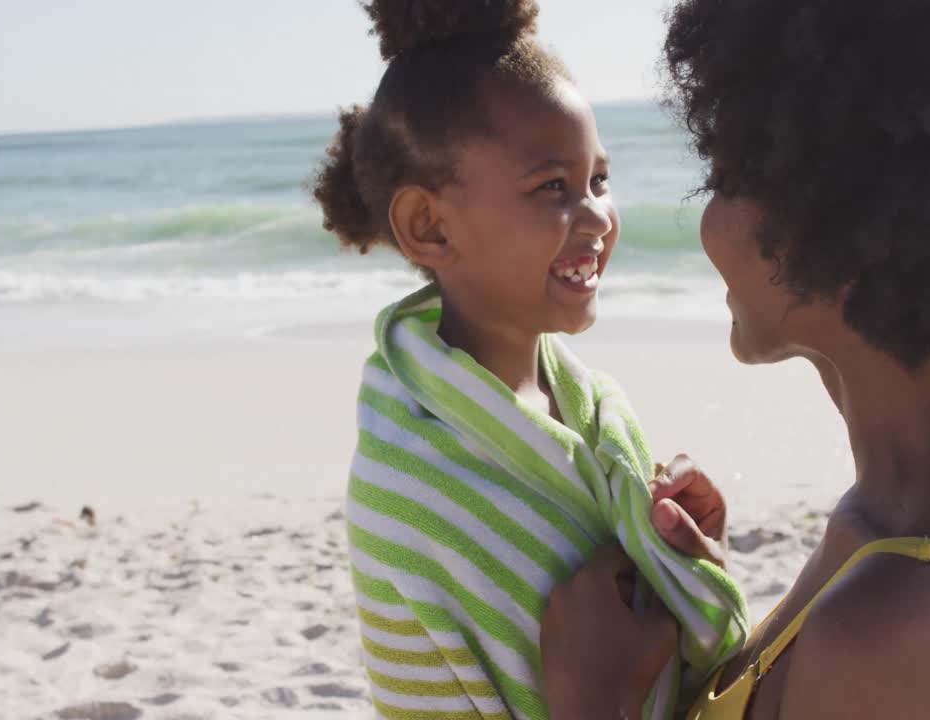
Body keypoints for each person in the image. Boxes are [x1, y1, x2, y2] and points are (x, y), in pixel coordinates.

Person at [539, 1, 930, 718]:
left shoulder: (893, 630)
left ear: (839, 219)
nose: (705, 225)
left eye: (726, 179)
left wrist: (591, 696)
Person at [310, 2, 748, 718]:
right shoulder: (413, 482)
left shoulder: (591, 406)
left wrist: (681, 560)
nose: (598, 216)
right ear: (429, 226)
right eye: (553, 187)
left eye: (599, 181)